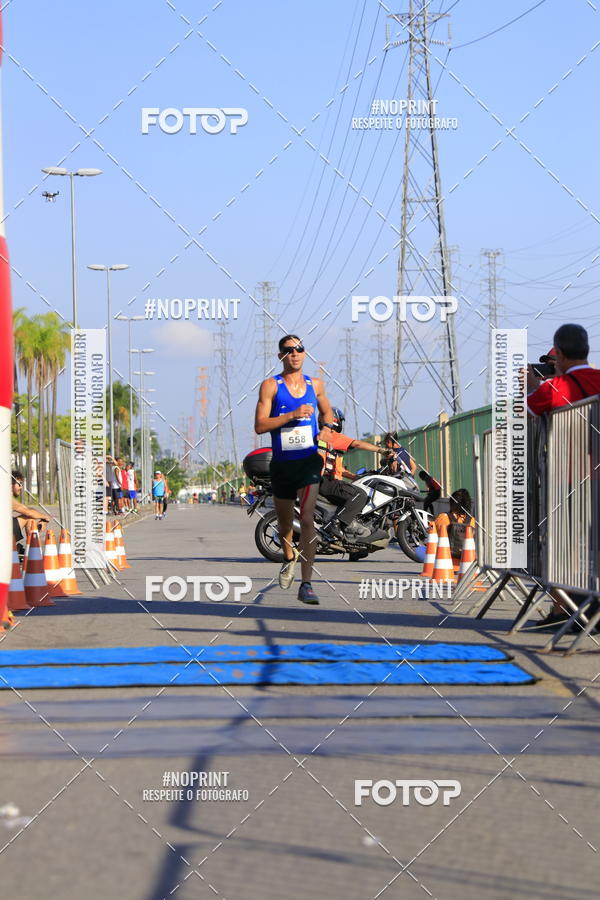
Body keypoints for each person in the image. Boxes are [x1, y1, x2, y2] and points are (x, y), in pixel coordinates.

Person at [527, 324, 600, 629]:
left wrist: (531, 386)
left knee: (562, 546)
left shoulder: (554, 387)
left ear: (559, 353)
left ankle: (563, 611)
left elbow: (526, 413)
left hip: (570, 477)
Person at [254, 334, 336, 605]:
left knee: (309, 520)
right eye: (289, 350)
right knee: (287, 524)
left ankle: (307, 583)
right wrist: (291, 415)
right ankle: (288, 556)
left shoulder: (317, 385)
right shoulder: (271, 387)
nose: (295, 354)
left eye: (299, 349)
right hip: (282, 465)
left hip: (309, 461)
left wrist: (326, 428)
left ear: (305, 353)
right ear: (281, 356)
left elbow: (328, 414)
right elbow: (260, 426)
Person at [317, 408, 389, 541]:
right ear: (335, 420)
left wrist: (355, 477)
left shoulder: (319, 437)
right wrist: (381, 450)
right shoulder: (331, 436)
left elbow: (339, 469)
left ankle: (354, 544)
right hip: (327, 481)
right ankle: (336, 523)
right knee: (360, 494)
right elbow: (358, 443)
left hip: (323, 481)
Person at [527, 324, 600, 415]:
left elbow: (523, 412)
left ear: (559, 354)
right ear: (587, 350)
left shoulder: (552, 388)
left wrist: (530, 387)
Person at [434, 489, 474, 570]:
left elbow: (432, 540)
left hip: (445, 566)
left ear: (451, 503)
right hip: (468, 567)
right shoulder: (472, 521)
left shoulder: (443, 518)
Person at [11, 470, 50, 555]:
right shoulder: (7, 498)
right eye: (19, 484)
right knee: (29, 517)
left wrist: (41, 518)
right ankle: (33, 552)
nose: (21, 487)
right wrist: (46, 517)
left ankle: (19, 549)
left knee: (30, 515)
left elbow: (28, 509)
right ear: (10, 485)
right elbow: (29, 513)